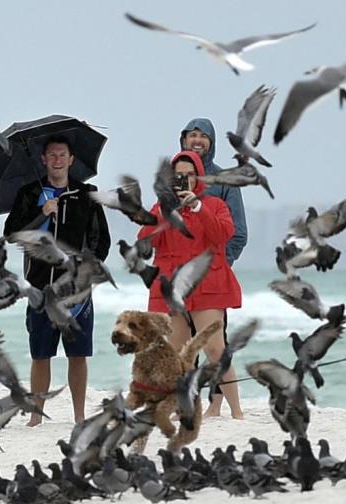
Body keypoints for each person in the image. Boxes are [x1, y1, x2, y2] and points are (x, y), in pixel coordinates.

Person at [3, 135, 111, 426]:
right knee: (41, 353)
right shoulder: (29, 194)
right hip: (40, 286)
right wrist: (41, 213)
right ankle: (36, 416)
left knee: (78, 354)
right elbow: (12, 233)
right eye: (52, 155)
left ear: (72, 160)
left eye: (63, 155)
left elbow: (102, 240)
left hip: (76, 289)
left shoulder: (86, 195)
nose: (57, 160)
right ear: (43, 160)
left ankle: (79, 414)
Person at [137, 150, 244, 419]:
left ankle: (237, 411)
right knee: (175, 354)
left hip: (208, 285)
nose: (184, 179)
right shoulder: (160, 207)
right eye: (178, 176)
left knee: (215, 349)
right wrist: (163, 211)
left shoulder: (214, 204)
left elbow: (223, 234)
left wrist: (197, 206)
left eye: (189, 175)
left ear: (198, 177)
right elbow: (144, 243)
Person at [180, 118, 248, 417]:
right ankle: (189, 402)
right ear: (183, 140)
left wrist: (219, 266)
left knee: (214, 345)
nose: (197, 140)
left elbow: (239, 233)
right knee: (183, 345)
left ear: (212, 142)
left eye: (203, 136)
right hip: (180, 279)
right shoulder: (174, 179)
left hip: (212, 279)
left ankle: (218, 403)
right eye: (192, 135)